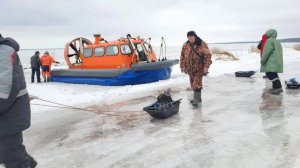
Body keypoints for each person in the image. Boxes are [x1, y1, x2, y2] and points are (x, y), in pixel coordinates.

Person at [0, 34, 37, 167]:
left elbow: (5, 90)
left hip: (9, 115)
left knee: (11, 154)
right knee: (10, 152)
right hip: (8, 115)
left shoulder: (4, 51)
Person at [180, 31, 212, 107]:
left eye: (191, 36)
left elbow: (208, 56)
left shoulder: (202, 44)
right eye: (188, 37)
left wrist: (206, 67)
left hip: (199, 68)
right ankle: (198, 98)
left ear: (195, 36)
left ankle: (196, 100)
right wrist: (182, 66)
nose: (190, 38)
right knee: (192, 84)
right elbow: (182, 56)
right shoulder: (186, 45)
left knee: (196, 84)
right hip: (190, 69)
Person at [260, 29, 284, 94]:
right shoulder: (276, 41)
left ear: (269, 34)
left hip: (271, 61)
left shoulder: (269, 41)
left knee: (269, 74)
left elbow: (266, 52)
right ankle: (276, 87)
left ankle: (278, 88)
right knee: (274, 74)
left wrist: (263, 60)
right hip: (276, 61)